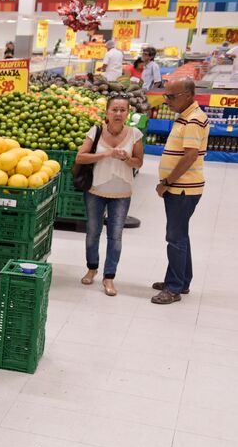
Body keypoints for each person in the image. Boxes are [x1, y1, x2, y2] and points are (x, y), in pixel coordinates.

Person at [74, 96, 144, 296]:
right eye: (115, 109)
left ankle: (109, 277)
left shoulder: (135, 134)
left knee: (115, 236)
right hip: (96, 190)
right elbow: (80, 157)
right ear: (107, 112)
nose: (118, 114)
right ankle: (92, 267)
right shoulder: (95, 132)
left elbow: (138, 163)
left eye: (123, 110)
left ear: (127, 113)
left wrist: (126, 158)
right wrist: (105, 154)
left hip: (121, 192)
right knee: (93, 231)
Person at [152, 77, 207, 304]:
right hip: (183, 187)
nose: (167, 100)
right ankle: (181, 280)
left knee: (175, 237)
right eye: (166, 95)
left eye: (171, 96)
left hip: (183, 188)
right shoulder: (185, 117)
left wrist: (167, 182)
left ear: (188, 95)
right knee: (180, 235)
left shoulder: (193, 119)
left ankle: (173, 289)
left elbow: (190, 156)